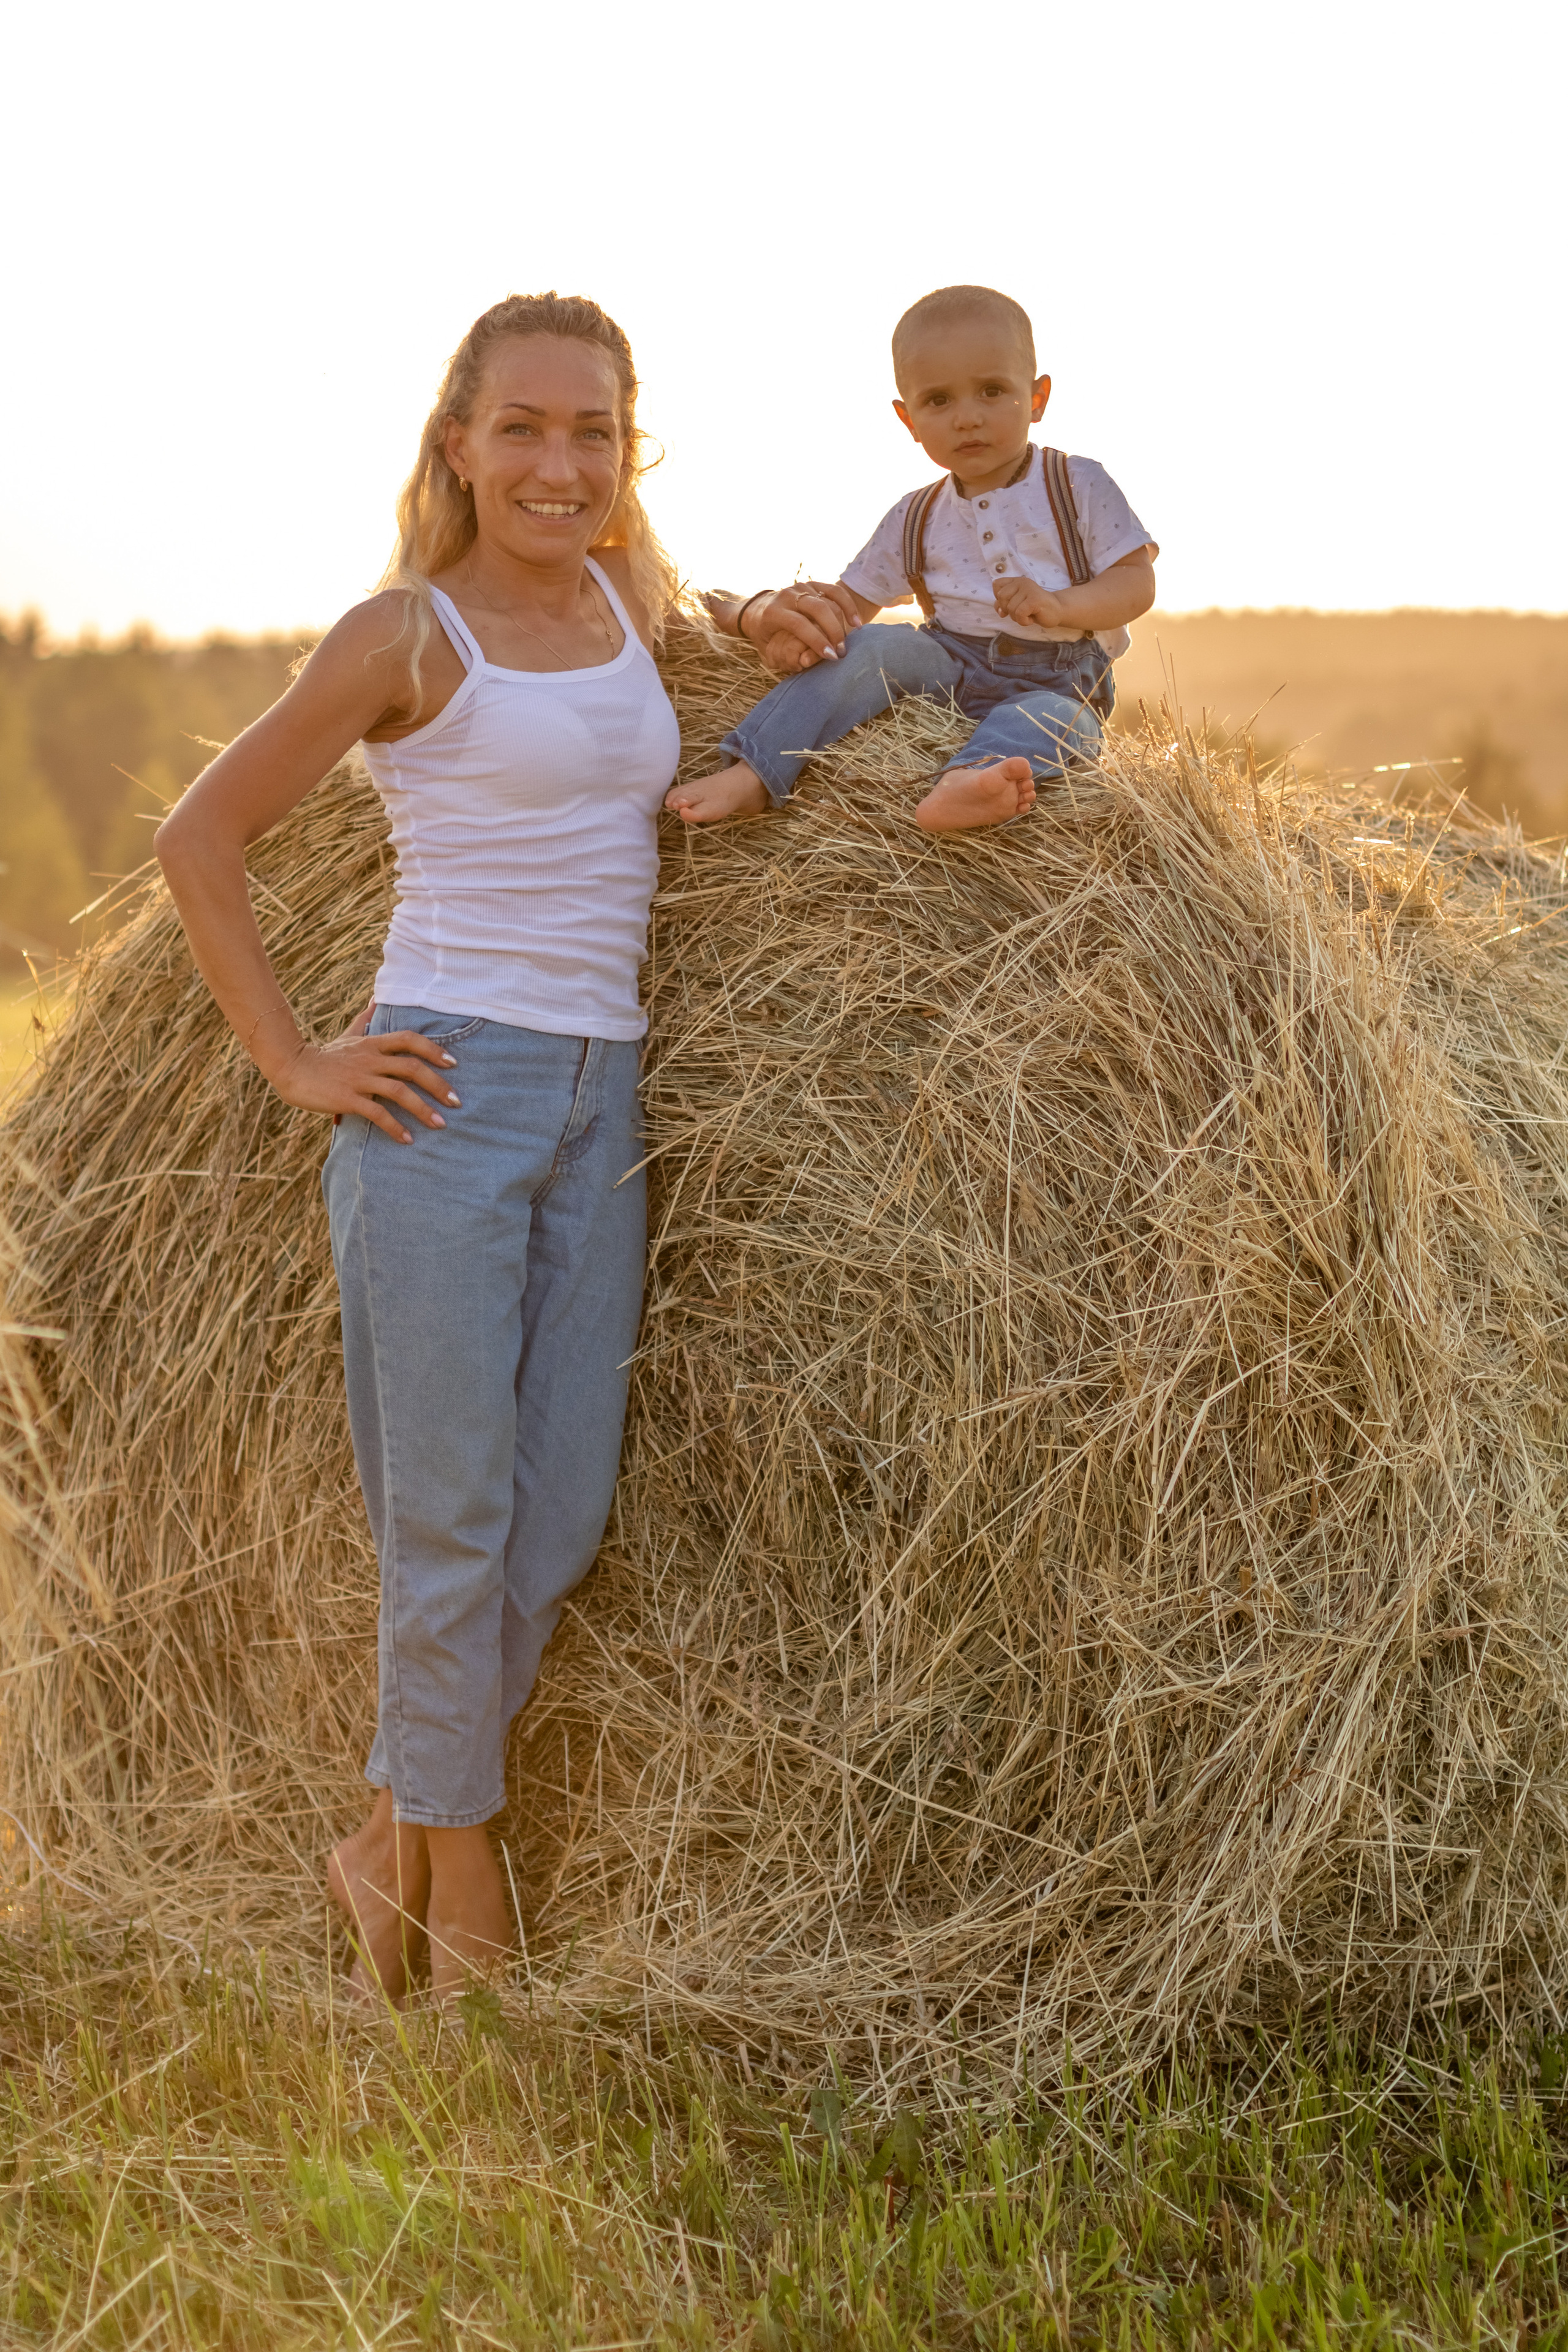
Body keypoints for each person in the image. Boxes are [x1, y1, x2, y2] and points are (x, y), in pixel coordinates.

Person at [154, 293, 681, 2005]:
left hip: (609, 1100)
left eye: (589, 430)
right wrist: (297, 1058)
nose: (556, 461)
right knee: (447, 1522)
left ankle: (379, 1837)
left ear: (626, 451)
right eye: (521, 427)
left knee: (563, 1518)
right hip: (445, 1098)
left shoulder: (632, 601)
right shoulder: (405, 638)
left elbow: (739, 663)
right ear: (458, 440)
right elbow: (201, 835)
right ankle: (459, 1935)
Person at [668, 284, 1157, 833]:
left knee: (1053, 722)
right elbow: (852, 604)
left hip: (1063, 680)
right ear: (908, 420)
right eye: (939, 401)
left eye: (992, 391)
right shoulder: (917, 515)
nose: (967, 417)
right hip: (951, 664)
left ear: (1038, 397)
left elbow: (1136, 583)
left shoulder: (1077, 483)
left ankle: (967, 783)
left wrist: (1061, 604)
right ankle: (754, 772)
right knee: (867, 646)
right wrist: (798, 622)